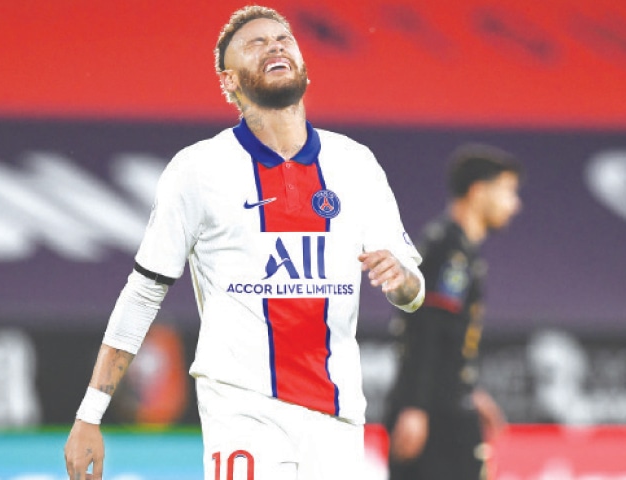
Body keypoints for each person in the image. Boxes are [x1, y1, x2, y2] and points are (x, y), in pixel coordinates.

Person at [63, 6, 425, 480]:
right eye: (256, 43)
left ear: (302, 64)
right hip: (243, 409)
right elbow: (144, 290)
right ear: (229, 81)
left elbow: (414, 294)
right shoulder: (198, 170)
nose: (275, 46)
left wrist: (400, 280)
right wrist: (90, 414)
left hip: (337, 416)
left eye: (283, 39)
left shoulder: (355, 164)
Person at [384, 144, 522, 480]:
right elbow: (426, 328)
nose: (514, 205)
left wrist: (468, 389)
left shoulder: (457, 249)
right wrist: (416, 407)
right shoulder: (450, 254)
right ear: (478, 192)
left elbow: (447, 336)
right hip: (434, 416)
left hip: (444, 406)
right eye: (507, 191)